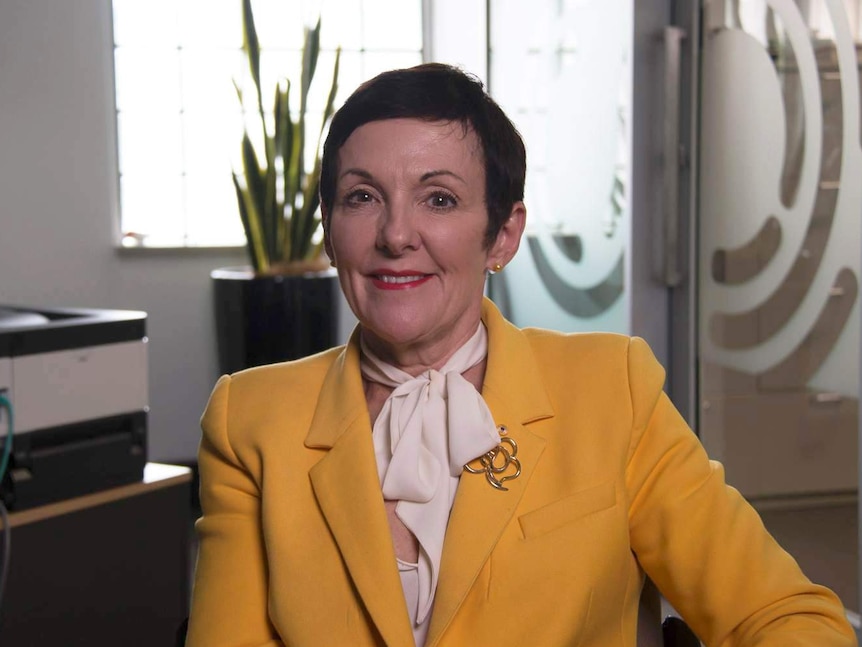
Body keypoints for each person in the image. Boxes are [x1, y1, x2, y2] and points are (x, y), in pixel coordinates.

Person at [185, 63, 857, 647]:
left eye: (439, 198)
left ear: (502, 235)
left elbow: (783, 615)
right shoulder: (251, 418)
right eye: (362, 197)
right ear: (331, 229)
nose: (395, 234)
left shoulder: (610, 389)